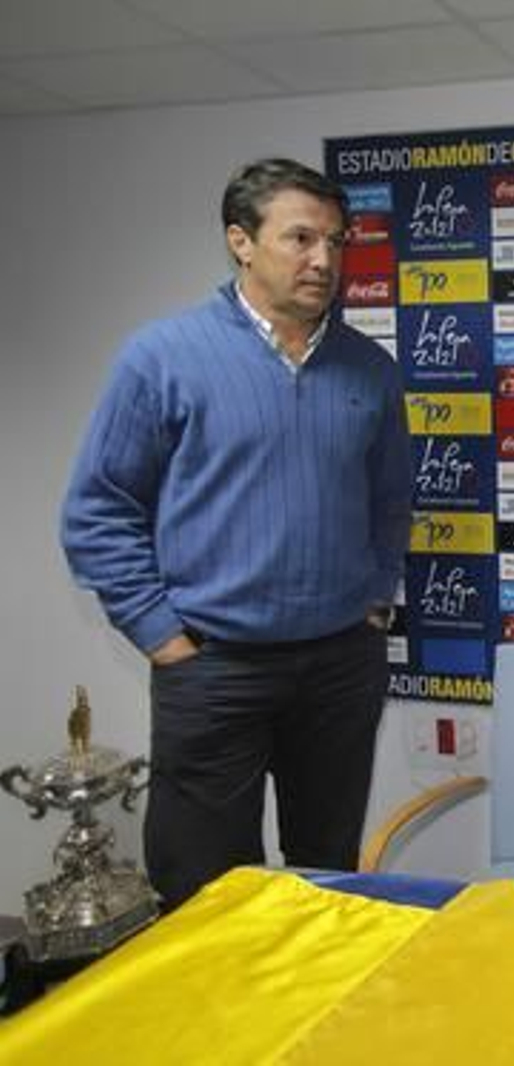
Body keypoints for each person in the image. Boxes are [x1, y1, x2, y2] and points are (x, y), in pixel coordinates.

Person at [61, 158, 412, 909]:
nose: (324, 259)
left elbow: (390, 503)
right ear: (241, 242)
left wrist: (375, 603)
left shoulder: (370, 370)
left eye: (337, 242)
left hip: (339, 668)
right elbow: (96, 513)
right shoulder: (162, 358)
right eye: (301, 238)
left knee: (328, 879)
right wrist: (166, 639)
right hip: (215, 670)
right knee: (205, 889)